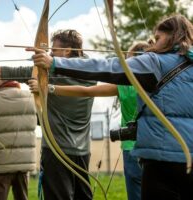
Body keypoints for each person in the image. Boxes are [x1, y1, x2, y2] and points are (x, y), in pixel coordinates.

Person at [28, 14, 193, 200]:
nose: (153, 44)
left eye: (158, 38)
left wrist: (55, 63)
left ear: (173, 36)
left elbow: (109, 67)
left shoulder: (155, 61)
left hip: (162, 160)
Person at [0, 29, 96, 200]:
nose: (50, 53)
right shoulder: (91, 72)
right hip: (83, 152)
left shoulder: (50, 75)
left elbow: (8, 72)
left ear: (67, 51)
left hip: (56, 152)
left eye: (54, 50)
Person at [29, 41, 149, 200]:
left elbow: (86, 90)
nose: (126, 65)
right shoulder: (161, 82)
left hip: (131, 147)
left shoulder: (125, 86)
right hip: (157, 148)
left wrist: (48, 87)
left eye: (128, 60)